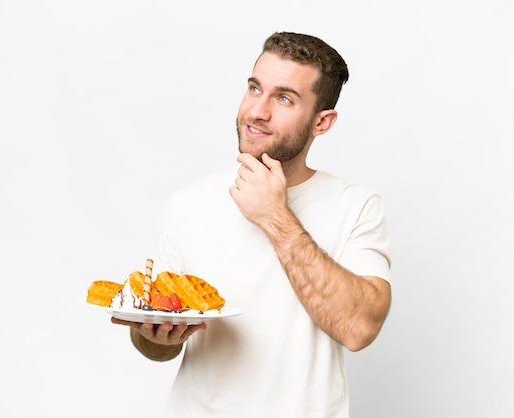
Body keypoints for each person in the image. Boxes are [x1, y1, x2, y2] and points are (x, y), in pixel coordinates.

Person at [111, 31, 392, 417]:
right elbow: (153, 344)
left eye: (284, 98)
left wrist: (274, 216)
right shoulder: (188, 204)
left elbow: (359, 329)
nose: (257, 111)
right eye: (254, 88)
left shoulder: (356, 206)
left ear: (321, 122)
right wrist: (155, 336)